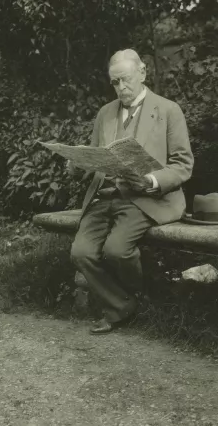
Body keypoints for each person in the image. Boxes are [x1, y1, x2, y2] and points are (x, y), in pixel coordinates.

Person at [70, 49, 194, 334]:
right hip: (105, 196)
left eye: (125, 80)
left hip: (144, 198)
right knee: (80, 252)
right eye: (115, 83)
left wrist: (151, 181)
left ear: (143, 72)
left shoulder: (167, 110)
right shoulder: (105, 113)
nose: (121, 88)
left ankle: (146, 298)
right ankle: (122, 304)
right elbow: (98, 156)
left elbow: (183, 164)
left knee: (116, 250)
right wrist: (78, 164)